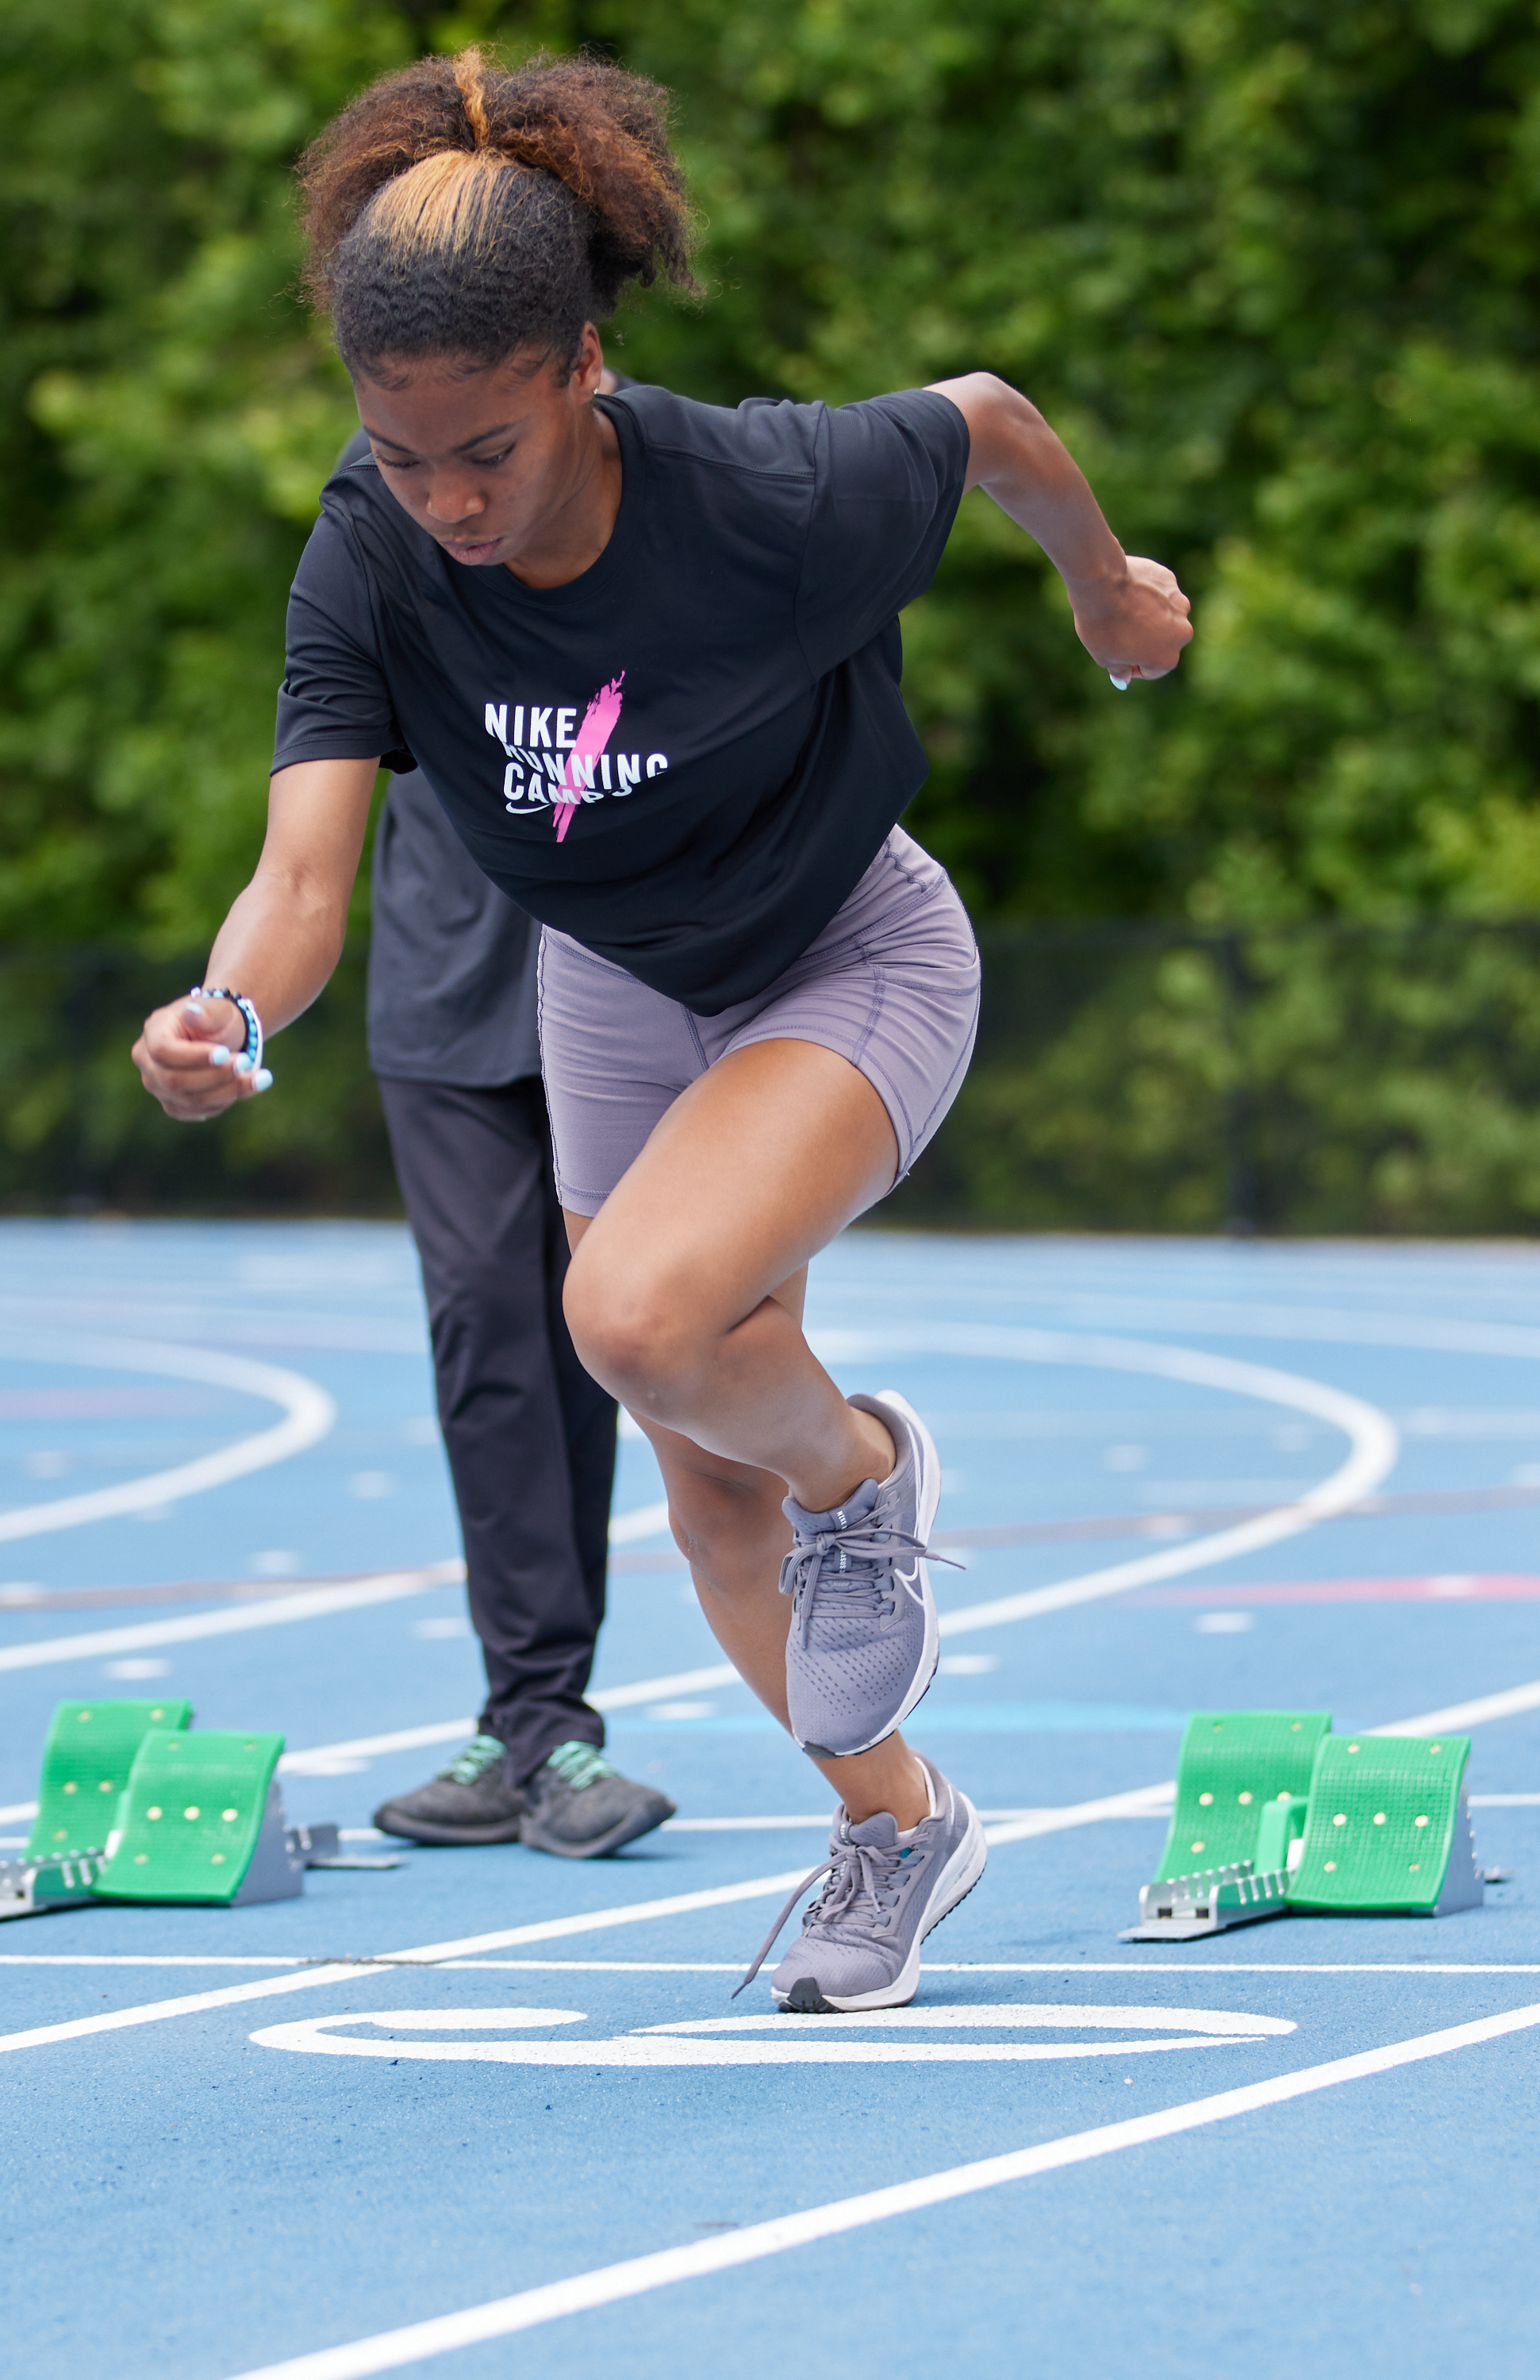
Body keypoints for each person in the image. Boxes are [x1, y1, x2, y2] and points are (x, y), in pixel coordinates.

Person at [132, 48, 1191, 2011]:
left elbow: (989, 422)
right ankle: (894, 1826)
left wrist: (1103, 595)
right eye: (401, 451)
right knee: (700, 1468)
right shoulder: (369, 554)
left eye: (489, 453)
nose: (445, 500)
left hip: (846, 948)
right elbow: (300, 885)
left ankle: (861, 1473)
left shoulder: (766, 497)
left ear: (583, 369)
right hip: (614, 982)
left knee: (630, 1317)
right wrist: (226, 1011)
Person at [360, 721, 673, 1858]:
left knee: (604, 1338)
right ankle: (542, 1726)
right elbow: (302, 850)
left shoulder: (652, 546)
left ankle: (527, 1720)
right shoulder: (379, 558)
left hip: (630, 978)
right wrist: (236, 1005)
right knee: (486, 1333)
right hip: (446, 997)